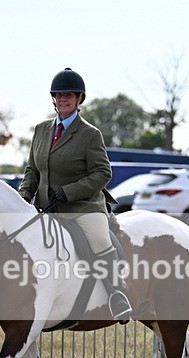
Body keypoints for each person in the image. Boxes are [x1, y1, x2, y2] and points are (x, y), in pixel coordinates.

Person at [18, 67, 131, 321]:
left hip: (83, 208)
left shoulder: (90, 134)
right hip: (46, 207)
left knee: (100, 240)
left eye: (69, 95)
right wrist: (23, 197)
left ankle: (116, 293)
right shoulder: (41, 130)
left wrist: (69, 192)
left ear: (79, 99)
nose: (63, 99)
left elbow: (103, 173)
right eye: (58, 95)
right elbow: (32, 169)